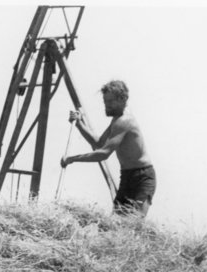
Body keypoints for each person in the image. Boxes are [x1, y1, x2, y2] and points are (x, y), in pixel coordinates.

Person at [60, 80, 156, 217]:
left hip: (142, 177)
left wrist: (72, 159)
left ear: (123, 99)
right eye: (105, 101)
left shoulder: (124, 121)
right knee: (115, 224)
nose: (106, 105)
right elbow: (98, 143)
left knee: (134, 225)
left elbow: (103, 153)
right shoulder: (117, 120)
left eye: (110, 101)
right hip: (127, 176)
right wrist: (79, 124)